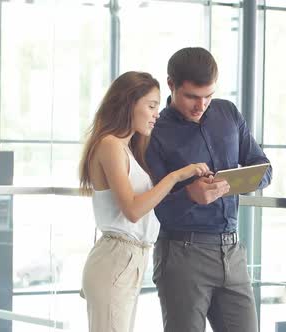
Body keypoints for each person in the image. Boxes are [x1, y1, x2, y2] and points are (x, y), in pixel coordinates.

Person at [146, 47, 273, 332]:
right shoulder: (155, 130)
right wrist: (190, 195)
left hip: (232, 251)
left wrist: (241, 180)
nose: (201, 105)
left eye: (208, 96)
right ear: (171, 84)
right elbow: (153, 207)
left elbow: (264, 168)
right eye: (192, 96)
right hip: (182, 253)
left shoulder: (227, 112)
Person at [79, 71, 211, 332]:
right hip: (116, 260)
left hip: (130, 259)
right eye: (151, 106)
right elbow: (132, 209)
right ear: (129, 104)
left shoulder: (127, 148)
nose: (156, 114)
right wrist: (176, 176)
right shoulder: (110, 145)